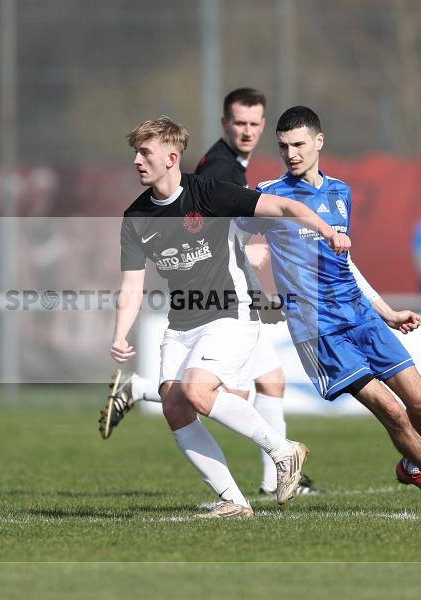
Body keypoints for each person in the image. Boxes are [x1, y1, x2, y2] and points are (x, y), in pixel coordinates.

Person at [238, 106, 421, 513]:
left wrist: (385, 310)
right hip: (321, 329)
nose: (291, 154)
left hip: (361, 314)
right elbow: (234, 237)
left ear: (319, 141)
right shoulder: (269, 194)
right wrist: (254, 251)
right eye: (283, 146)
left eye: (299, 144)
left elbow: (345, 262)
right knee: (391, 409)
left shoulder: (340, 193)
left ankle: (412, 464)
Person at [111, 117, 350, 518]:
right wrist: (120, 335)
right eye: (135, 152)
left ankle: (284, 450)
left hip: (230, 314)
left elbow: (284, 206)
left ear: (171, 158)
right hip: (182, 323)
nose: (136, 160)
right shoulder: (136, 217)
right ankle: (232, 501)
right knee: (174, 406)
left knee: (197, 390)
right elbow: (132, 285)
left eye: (144, 152)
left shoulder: (208, 192)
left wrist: (327, 231)